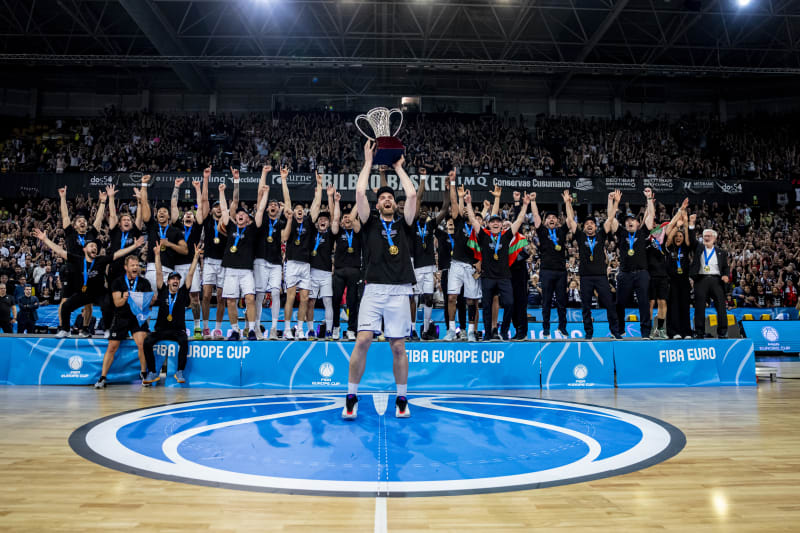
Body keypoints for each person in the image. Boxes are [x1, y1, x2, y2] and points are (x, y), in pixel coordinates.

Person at [343, 141, 416, 420]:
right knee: (362, 341)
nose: (386, 200)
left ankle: (401, 398)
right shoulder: (369, 221)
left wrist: (399, 168)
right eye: (382, 198)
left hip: (399, 290)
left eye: (390, 198)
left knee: (398, 346)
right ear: (377, 204)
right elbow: (360, 191)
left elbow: (411, 197)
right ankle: (351, 397)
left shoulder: (403, 222)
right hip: (373, 288)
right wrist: (367, 162)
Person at [35, 228, 145, 338]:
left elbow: (118, 254)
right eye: (92, 246)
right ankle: (65, 330)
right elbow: (60, 251)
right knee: (65, 306)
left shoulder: (101, 260)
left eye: (96, 247)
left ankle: (107, 329)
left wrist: (134, 246)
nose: (95, 248)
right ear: (84, 249)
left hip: (99, 293)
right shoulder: (78, 260)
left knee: (107, 305)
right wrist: (45, 239)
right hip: (83, 293)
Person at [463, 189, 529, 340]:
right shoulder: (484, 236)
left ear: (501, 225)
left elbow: (518, 221)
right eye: (492, 222)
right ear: (489, 224)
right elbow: (473, 221)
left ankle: (504, 331)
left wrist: (525, 205)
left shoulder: (505, 236)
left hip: (504, 277)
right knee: (486, 307)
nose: (495, 224)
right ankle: (487, 333)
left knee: (510, 303)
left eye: (498, 222)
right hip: (488, 277)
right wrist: (468, 204)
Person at [563, 190, 622, 339]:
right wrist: (568, 203)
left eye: (592, 224)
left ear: (596, 227)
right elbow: (570, 219)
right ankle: (588, 333)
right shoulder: (581, 235)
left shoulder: (601, 235)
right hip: (586, 277)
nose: (590, 225)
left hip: (601, 276)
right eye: (587, 223)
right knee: (586, 307)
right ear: (584, 227)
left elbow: (610, 218)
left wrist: (616, 203)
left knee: (609, 304)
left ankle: (615, 332)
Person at [218, 175, 270, 341]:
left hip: (247, 270)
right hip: (230, 270)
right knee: (231, 301)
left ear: (248, 219)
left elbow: (260, 210)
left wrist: (266, 195)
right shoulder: (232, 226)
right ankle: (235, 331)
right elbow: (225, 210)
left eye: (243, 214)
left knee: (250, 298)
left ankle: (252, 330)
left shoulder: (253, 228)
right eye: (238, 213)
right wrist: (221, 192)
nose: (240, 214)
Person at [142, 243, 202, 385]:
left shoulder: (182, 293)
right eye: (173, 279)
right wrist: (157, 255)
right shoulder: (162, 290)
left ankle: (179, 371)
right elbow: (158, 272)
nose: (175, 281)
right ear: (168, 282)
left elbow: (191, 274)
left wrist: (195, 257)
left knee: (184, 342)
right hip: (161, 330)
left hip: (177, 330)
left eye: (177, 279)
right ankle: (152, 372)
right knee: (147, 342)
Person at [95, 253, 153, 389]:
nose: (136, 267)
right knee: (112, 347)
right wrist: (125, 297)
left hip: (137, 317)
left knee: (141, 343)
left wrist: (150, 299)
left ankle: (144, 373)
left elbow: (148, 305)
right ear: (126, 267)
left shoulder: (144, 283)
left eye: (137, 265)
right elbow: (117, 303)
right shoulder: (118, 282)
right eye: (132, 265)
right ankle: (103, 377)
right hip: (121, 317)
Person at [57, 185, 105, 335]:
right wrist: (63, 198)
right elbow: (65, 216)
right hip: (71, 270)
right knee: (65, 300)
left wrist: (102, 202)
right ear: (75, 225)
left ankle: (85, 328)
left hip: (86, 272)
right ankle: (63, 327)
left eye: (84, 221)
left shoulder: (91, 235)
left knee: (88, 302)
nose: (82, 222)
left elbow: (98, 219)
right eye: (79, 221)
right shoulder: (70, 234)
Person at [281, 167, 322, 340]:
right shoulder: (290, 221)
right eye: (296, 208)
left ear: (304, 212)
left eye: (301, 209)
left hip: (306, 264)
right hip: (291, 263)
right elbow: (287, 199)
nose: (299, 210)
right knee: (290, 296)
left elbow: (317, 204)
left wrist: (319, 186)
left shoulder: (308, 221)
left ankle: (299, 328)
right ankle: (287, 328)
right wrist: (284, 179)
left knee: (304, 298)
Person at [443, 173, 482, 342]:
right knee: (452, 297)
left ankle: (472, 332)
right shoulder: (459, 222)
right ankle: (451, 330)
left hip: (472, 266)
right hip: (457, 264)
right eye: (464, 209)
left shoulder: (478, 229)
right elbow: (453, 202)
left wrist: (480, 262)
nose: (465, 211)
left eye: (469, 209)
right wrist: (452, 183)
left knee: (471, 301)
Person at [411, 169, 448, 340]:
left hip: (428, 267)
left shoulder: (431, 225)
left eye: (427, 210)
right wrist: (423, 179)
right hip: (414, 266)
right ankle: (411, 329)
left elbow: (445, 208)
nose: (424, 211)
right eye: (421, 210)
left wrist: (447, 189)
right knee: (413, 299)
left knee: (428, 299)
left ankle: (426, 330)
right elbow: (417, 198)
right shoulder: (411, 224)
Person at [102, 184, 143, 339]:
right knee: (109, 303)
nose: (127, 221)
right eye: (124, 219)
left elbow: (139, 217)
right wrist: (111, 198)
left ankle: (130, 329)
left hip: (130, 272)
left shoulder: (135, 231)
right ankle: (107, 328)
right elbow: (113, 215)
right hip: (114, 271)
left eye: (128, 219)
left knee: (129, 302)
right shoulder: (115, 232)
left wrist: (139, 201)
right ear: (120, 223)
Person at [613, 189, 655, 338]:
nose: (629, 222)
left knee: (644, 303)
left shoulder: (643, 232)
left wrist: (649, 198)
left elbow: (651, 217)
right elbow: (611, 219)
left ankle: (645, 332)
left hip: (641, 273)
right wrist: (615, 202)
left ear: (638, 223)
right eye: (627, 221)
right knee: (619, 303)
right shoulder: (622, 233)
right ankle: (620, 330)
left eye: (632, 220)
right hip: (625, 273)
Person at [646, 198, 688, 340]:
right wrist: (649, 201)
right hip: (650, 276)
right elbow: (649, 216)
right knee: (651, 303)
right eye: (652, 223)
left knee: (663, 302)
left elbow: (671, 223)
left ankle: (661, 329)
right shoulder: (645, 238)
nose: (654, 225)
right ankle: (650, 329)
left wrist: (681, 209)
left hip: (663, 276)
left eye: (655, 224)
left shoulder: (662, 239)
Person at [253, 164, 285, 340]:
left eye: (275, 204)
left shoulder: (280, 223)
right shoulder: (263, 218)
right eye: (270, 204)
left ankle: (273, 328)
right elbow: (259, 197)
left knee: (275, 292)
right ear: (267, 208)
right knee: (259, 294)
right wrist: (264, 174)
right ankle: (257, 327)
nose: (272, 206)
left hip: (275, 262)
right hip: (260, 260)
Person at [530, 192, 569, 339]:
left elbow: (570, 221)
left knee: (561, 302)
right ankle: (546, 328)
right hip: (546, 271)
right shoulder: (543, 231)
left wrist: (567, 203)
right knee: (545, 302)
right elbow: (535, 216)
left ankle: (562, 327)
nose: (551, 219)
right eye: (549, 218)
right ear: (545, 221)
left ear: (557, 221)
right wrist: (533, 201)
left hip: (561, 272)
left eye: (554, 218)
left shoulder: (561, 231)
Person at [140, 175, 188, 290]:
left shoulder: (175, 231)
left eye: (165, 211)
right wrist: (144, 185)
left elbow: (185, 250)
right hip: (152, 269)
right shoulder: (152, 226)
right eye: (160, 211)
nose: (162, 213)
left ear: (169, 215)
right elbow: (144, 204)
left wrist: (169, 244)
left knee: (167, 303)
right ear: (156, 215)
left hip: (169, 271)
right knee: (150, 300)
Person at [171, 178, 204, 339]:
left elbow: (201, 208)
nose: (189, 216)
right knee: (177, 297)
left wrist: (198, 189)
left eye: (192, 214)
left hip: (192, 266)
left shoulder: (197, 229)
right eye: (187, 215)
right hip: (177, 267)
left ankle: (197, 327)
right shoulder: (177, 228)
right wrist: (176, 187)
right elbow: (173, 207)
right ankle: (179, 326)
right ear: (183, 218)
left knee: (195, 297)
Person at [197, 166, 228, 340]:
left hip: (223, 262)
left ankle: (217, 329)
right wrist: (205, 179)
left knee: (222, 297)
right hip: (209, 261)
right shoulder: (208, 220)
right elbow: (203, 202)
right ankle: (206, 328)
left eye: (219, 207)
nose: (217, 209)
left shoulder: (226, 223)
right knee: (207, 295)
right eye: (215, 206)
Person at [688, 215, 730, 339]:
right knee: (700, 307)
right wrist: (691, 223)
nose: (706, 238)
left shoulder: (721, 252)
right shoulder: (698, 247)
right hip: (701, 279)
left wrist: (726, 276)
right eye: (705, 236)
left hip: (716, 281)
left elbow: (726, 267)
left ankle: (722, 332)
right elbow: (691, 238)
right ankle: (699, 332)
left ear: (715, 238)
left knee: (721, 307)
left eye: (709, 236)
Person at [307, 186, 339, 340]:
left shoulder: (331, 235)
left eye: (325, 220)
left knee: (328, 302)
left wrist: (330, 197)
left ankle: (329, 331)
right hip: (311, 272)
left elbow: (334, 216)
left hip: (326, 273)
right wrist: (317, 193)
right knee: (310, 302)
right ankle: (311, 330)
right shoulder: (312, 232)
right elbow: (314, 213)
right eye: (320, 219)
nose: (323, 221)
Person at [331, 204, 362, 341]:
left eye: (349, 216)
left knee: (352, 301)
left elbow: (354, 218)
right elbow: (335, 218)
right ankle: (336, 327)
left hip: (354, 271)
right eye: (345, 217)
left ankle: (351, 329)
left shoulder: (357, 231)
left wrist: (358, 199)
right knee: (336, 300)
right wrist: (336, 202)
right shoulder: (338, 232)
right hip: (339, 271)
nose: (347, 218)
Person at [665, 209, 693, 339]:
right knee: (673, 307)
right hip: (672, 282)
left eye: (680, 236)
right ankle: (674, 332)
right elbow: (669, 237)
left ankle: (686, 332)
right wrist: (677, 226)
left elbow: (687, 238)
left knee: (684, 307)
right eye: (677, 236)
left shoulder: (686, 248)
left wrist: (686, 224)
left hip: (684, 282)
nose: (678, 238)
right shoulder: (669, 248)